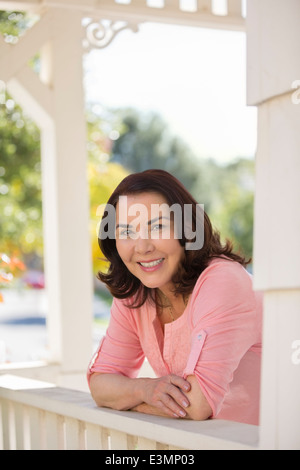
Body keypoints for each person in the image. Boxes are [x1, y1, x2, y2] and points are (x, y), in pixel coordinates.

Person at [88, 169, 262, 425]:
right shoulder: (135, 292)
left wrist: (126, 402)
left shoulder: (223, 281)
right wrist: (144, 390)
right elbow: (101, 385)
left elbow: (196, 405)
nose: (143, 247)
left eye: (157, 227)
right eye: (126, 232)